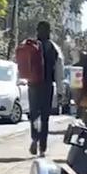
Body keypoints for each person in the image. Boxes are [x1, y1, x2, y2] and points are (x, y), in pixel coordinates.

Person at [28, 21, 62, 157]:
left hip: (33, 85)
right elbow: (59, 70)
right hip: (47, 85)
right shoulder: (54, 48)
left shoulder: (29, 45)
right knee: (45, 117)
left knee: (34, 115)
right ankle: (42, 147)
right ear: (49, 31)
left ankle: (34, 139)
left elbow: (22, 63)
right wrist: (60, 90)